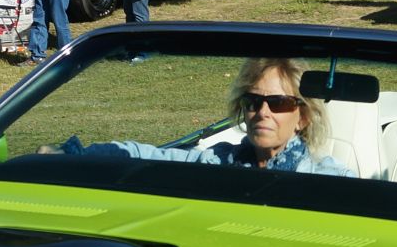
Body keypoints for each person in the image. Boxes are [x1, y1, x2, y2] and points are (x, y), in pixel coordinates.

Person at [49, 57, 353, 175]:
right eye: (253, 102)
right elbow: (145, 156)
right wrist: (73, 156)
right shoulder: (217, 161)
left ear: (302, 118)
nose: (262, 112)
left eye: (278, 103)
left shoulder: (329, 179)